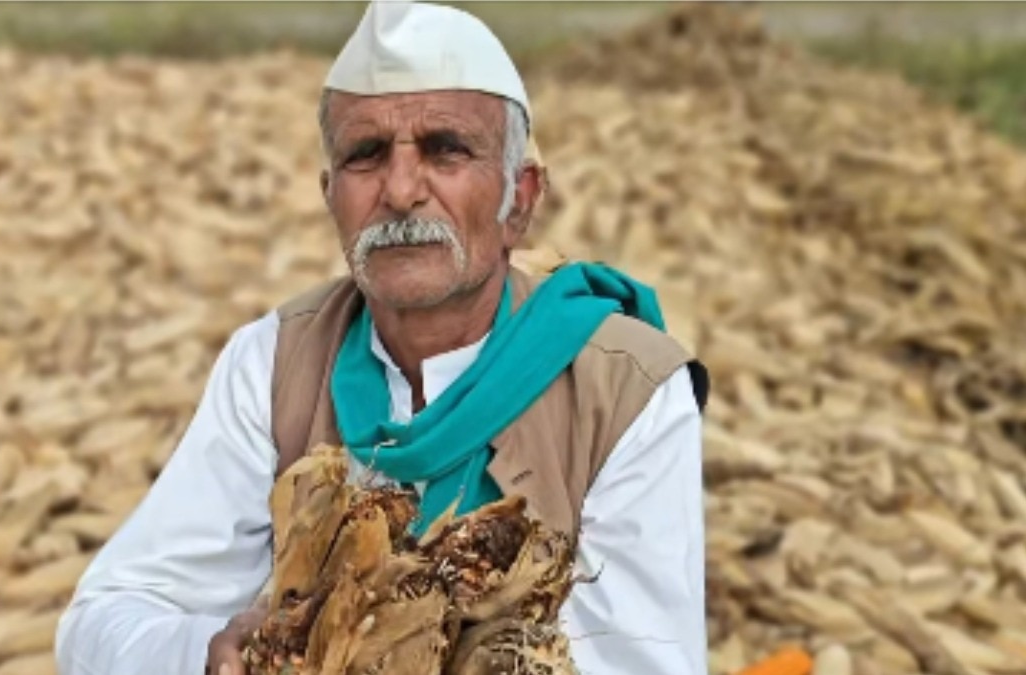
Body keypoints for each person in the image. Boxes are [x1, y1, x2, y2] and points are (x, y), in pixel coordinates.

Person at [54, 2, 710, 674]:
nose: (400, 190)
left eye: (445, 150)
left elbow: (645, 660)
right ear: (329, 195)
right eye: (365, 155)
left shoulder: (626, 389)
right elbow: (105, 618)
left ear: (519, 197)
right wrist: (206, 653)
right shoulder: (274, 361)